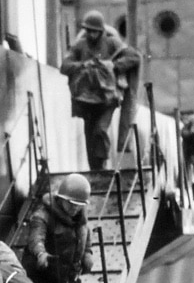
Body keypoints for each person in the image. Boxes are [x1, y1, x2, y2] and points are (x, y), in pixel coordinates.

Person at [59, 11, 141, 170]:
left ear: (101, 31)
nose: (91, 34)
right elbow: (65, 66)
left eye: (94, 31)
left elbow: (134, 57)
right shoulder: (80, 46)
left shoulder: (112, 43)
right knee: (89, 136)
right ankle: (95, 170)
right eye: (88, 30)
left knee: (100, 130)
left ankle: (102, 165)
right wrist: (83, 65)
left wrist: (113, 66)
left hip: (107, 99)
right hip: (86, 100)